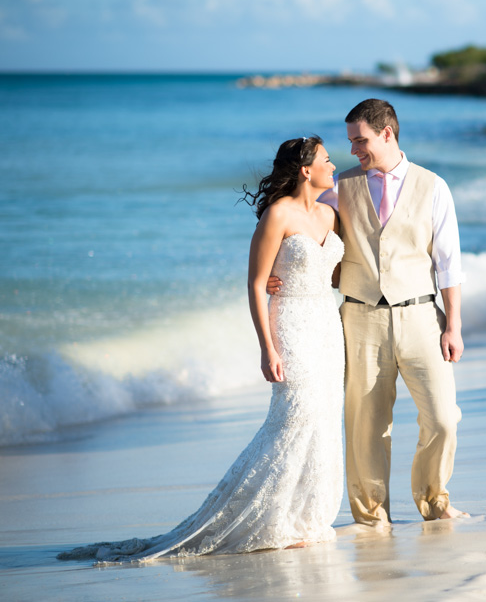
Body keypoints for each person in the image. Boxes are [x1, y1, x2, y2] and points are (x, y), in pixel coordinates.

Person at [58, 136, 345, 563]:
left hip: (327, 325)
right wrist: (268, 348)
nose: (333, 165)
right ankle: (268, 517)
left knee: (323, 419)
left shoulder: (330, 214)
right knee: (295, 416)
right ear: (306, 169)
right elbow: (254, 282)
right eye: (326, 159)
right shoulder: (276, 214)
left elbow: (336, 273)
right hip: (293, 326)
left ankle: (307, 519)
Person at [269, 99, 468, 525]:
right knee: (365, 424)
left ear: (387, 134)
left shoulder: (434, 187)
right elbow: (290, 217)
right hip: (359, 318)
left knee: (444, 417)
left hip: (420, 316)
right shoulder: (339, 186)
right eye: (350, 142)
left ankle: (434, 500)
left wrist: (454, 325)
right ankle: (371, 515)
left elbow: (449, 264)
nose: (354, 149)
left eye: (360, 140)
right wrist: (274, 270)